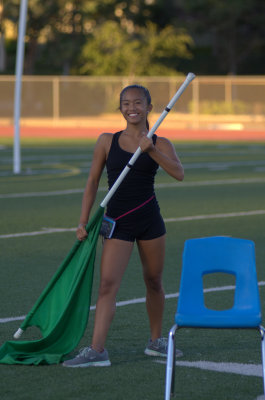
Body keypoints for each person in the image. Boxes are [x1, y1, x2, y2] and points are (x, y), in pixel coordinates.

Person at [63, 84, 184, 368]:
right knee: (107, 285)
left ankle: (156, 342)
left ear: (149, 107)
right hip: (117, 222)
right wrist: (83, 220)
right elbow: (92, 182)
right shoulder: (107, 140)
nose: (132, 108)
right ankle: (97, 350)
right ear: (120, 108)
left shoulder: (161, 142)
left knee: (154, 280)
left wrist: (151, 150)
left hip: (150, 220)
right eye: (126, 103)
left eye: (138, 103)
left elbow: (179, 173)